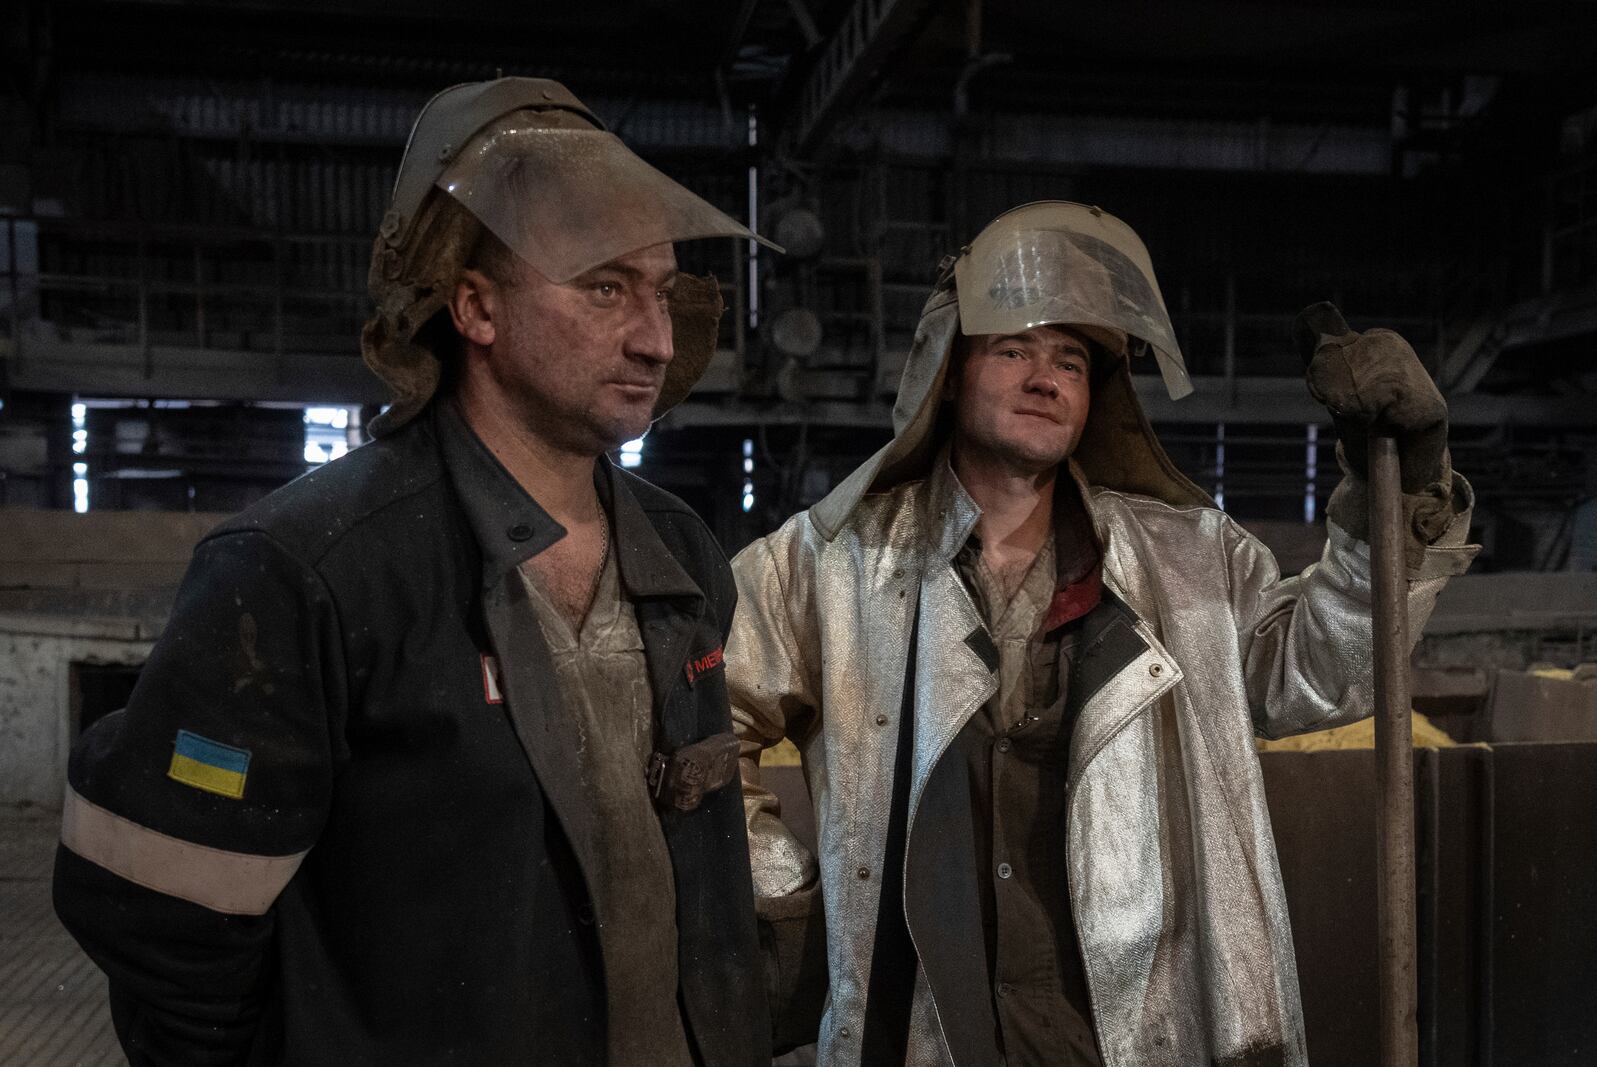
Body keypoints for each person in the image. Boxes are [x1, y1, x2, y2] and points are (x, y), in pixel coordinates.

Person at [53, 77, 780, 1065]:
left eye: (662, 291)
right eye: (605, 286)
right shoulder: (307, 570)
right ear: (474, 305)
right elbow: (165, 920)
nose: (655, 337)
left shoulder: (682, 551)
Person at [728, 201, 1476, 1066]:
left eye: (1071, 362)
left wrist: (1406, 487)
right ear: (950, 369)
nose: (1044, 377)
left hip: (1118, 1027)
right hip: (923, 1027)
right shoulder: (835, 561)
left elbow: (1317, 670)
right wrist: (793, 897)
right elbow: (714, 708)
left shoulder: (1188, 561)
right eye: (1014, 349)